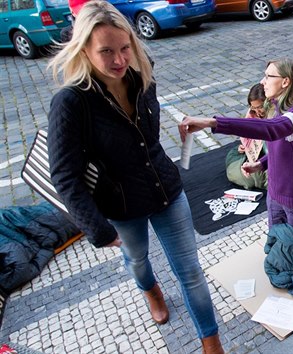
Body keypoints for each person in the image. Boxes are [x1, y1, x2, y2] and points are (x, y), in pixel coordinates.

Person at [46, 2, 224, 353]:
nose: (119, 60)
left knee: (190, 271)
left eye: (125, 48)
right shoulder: (71, 102)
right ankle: (151, 290)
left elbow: (147, 138)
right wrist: (98, 228)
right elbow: (64, 175)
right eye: (106, 51)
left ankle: (212, 344)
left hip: (165, 189)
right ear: (84, 50)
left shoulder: (142, 75)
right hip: (120, 203)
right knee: (138, 260)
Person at [179, 58, 293, 236]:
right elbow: (283, 149)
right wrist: (261, 164)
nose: (262, 81)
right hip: (274, 195)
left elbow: (271, 130)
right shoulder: (275, 108)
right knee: (276, 246)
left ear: (285, 81)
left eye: (268, 76)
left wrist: (212, 122)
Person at [225, 83, 268, 189]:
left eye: (260, 107)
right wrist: (245, 148)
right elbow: (248, 137)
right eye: (254, 109)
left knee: (253, 178)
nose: (257, 112)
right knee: (234, 160)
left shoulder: (276, 116)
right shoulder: (253, 114)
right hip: (254, 157)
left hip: (269, 157)